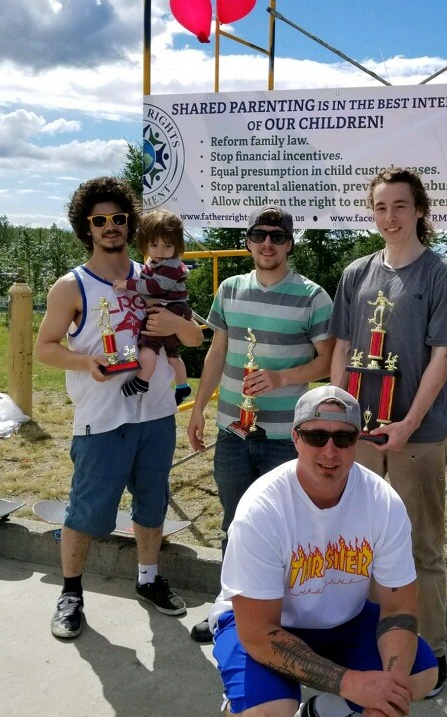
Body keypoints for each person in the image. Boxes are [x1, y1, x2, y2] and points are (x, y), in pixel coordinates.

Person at [208, 386, 439, 717]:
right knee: (267, 715)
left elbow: (399, 608)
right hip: (266, 624)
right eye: (316, 436)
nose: (329, 451)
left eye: (343, 438)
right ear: (295, 437)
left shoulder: (382, 501)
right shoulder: (262, 509)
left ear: (357, 441)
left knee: (421, 674)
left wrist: (389, 692)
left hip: (342, 619)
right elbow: (258, 634)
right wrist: (355, 684)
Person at [35, 176, 203, 640]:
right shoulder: (72, 286)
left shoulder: (157, 274)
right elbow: (45, 349)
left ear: (131, 223)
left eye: (119, 218)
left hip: (155, 414)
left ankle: (148, 580)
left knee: (151, 506)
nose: (111, 227)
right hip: (102, 418)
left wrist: (173, 323)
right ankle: (71, 593)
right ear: (86, 227)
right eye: (100, 220)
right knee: (86, 512)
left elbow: (194, 338)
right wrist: (86, 361)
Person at [329, 167, 447, 699]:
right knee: (363, 543)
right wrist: (336, 412)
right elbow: (342, 346)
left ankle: (431, 648)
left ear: (420, 211)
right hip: (360, 434)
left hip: (418, 435)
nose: (390, 217)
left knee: (420, 547)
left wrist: (409, 424)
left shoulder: (440, 275)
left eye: (400, 207)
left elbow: (442, 356)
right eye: (381, 207)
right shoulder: (357, 272)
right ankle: (374, 641)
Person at [186, 205, 334, 643]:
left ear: (290, 243)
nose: (267, 243)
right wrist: (198, 408)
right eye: (258, 235)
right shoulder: (230, 290)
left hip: (286, 439)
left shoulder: (313, 296)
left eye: (277, 236)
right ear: (248, 240)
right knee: (235, 524)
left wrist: (281, 378)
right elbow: (216, 353)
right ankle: (227, 613)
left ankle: (287, 618)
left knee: (288, 529)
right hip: (233, 431)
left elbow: (326, 361)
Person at [112, 208, 193, 405]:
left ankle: (141, 381)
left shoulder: (170, 267)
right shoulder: (160, 262)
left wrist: (128, 284)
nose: (160, 251)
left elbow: (155, 287)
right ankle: (182, 386)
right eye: (153, 245)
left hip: (169, 310)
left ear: (178, 246)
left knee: (149, 345)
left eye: (167, 246)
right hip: (176, 309)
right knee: (172, 355)